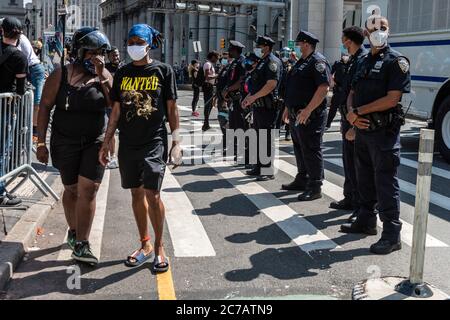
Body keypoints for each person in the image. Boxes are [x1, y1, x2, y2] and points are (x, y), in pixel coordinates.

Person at [99, 24, 181, 273]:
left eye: (138, 41)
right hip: (128, 143)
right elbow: (116, 110)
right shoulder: (122, 73)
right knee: (135, 194)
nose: (133, 45)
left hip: (154, 141)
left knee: (152, 194)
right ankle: (144, 244)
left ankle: (158, 246)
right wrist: (106, 141)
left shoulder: (163, 71)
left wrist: (176, 142)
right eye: (130, 40)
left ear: (148, 44)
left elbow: (172, 109)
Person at [36, 28, 113, 265]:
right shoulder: (60, 75)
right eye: (91, 52)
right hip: (64, 142)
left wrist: (102, 76)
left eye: (100, 53)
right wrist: (40, 142)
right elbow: (45, 107)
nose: (96, 57)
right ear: (80, 52)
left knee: (88, 190)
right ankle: (73, 231)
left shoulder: (105, 76)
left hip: (95, 141)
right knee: (71, 191)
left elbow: (114, 105)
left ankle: (82, 244)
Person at [340, 17, 411, 255]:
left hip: (383, 134)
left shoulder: (396, 61)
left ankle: (391, 235)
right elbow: (352, 91)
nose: (379, 32)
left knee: (385, 184)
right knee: (364, 181)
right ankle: (366, 221)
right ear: (366, 33)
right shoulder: (362, 61)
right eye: (373, 29)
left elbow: (392, 98)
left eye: (383, 28)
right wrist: (351, 113)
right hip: (362, 131)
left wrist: (359, 111)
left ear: (389, 30)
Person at [281, 30, 331, 201]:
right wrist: (288, 107)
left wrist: (308, 109)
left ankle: (315, 186)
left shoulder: (318, 62)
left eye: (300, 44)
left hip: (311, 114)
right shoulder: (302, 62)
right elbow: (293, 87)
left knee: (311, 149)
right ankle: (302, 178)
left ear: (307, 44)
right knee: (300, 147)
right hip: (297, 113)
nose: (298, 46)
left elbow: (323, 88)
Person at [329, 26, 368, 220]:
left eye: (343, 39)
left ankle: (361, 206)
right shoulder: (353, 60)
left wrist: (353, 124)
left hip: (355, 119)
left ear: (349, 41)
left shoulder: (362, 60)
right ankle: (350, 198)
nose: (342, 43)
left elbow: (360, 93)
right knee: (349, 161)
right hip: (347, 116)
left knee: (359, 165)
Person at [242, 35, 282, 181]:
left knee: (266, 137)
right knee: (258, 136)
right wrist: (249, 97)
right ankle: (259, 166)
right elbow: (257, 83)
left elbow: (271, 84)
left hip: (268, 105)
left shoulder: (272, 61)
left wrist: (253, 97)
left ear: (266, 46)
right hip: (259, 105)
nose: (257, 49)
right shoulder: (262, 62)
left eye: (259, 46)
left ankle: (268, 169)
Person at [0, 17, 28, 207]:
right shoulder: (19, 57)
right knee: (1, 151)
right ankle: (0, 193)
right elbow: (20, 89)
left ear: (2, 30)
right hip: (5, 107)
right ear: (19, 34)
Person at [16, 32, 46, 141]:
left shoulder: (19, 38)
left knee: (37, 102)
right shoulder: (16, 37)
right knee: (27, 99)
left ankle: (35, 132)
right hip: (28, 69)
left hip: (34, 69)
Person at [222, 41, 247, 163]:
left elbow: (241, 80)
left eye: (231, 49)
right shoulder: (235, 62)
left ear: (235, 50)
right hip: (233, 99)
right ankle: (238, 152)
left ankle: (242, 153)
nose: (229, 51)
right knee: (234, 126)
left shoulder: (242, 62)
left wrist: (228, 89)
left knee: (240, 127)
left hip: (239, 99)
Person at [104, 46, 124, 170]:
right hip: (110, 104)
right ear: (108, 56)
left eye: (117, 55)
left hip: (125, 103)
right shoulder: (105, 69)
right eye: (113, 55)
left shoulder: (125, 67)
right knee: (110, 132)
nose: (116, 57)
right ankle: (113, 156)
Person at [326, 53, 350, 130]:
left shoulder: (351, 64)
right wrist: (332, 81)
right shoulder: (338, 63)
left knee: (346, 109)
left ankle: (345, 125)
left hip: (347, 91)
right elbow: (330, 73)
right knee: (333, 108)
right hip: (338, 90)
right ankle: (327, 124)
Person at [216, 52, 233, 152]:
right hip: (221, 99)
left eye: (226, 58)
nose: (224, 60)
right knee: (222, 121)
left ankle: (228, 143)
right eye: (223, 58)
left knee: (226, 121)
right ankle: (226, 141)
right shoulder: (223, 69)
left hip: (226, 100)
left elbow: (228, 85)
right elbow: (219, 85)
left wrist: (225, 100)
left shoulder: (230, 69)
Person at [278, 47, 295, 140]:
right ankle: (278, 130)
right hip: (280, 92)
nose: (284, 55)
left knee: (289, 113)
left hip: (289, 92)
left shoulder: (293, 64)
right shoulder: (278, 64)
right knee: (279, 113)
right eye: (283, 53)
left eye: (286, 53)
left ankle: (288, 132)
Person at [202, 51, 219, 131]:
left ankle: (206, 123)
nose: (217, 60)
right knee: (208, 104)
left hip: (209, 86)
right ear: (212, 57)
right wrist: (217, 75)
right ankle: (205, 123)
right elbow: (207, 77)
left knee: (209, 105)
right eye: (216, 58)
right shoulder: (208, 64)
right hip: (208, 86)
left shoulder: (209, 64)